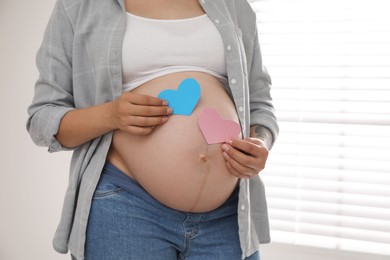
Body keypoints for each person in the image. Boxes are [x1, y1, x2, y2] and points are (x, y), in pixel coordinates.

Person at [26, 0, 278, 259]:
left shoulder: (233, 5)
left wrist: (261, 141)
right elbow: (43, 117)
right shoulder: (79, 7)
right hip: (126, 207)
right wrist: (111, 115)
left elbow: (259, 100)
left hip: (227, 215)